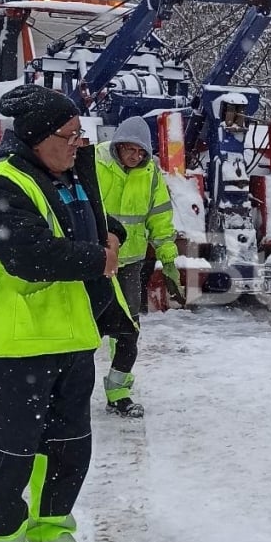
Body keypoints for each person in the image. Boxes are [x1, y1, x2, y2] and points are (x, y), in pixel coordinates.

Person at [0, 84, 134, 542]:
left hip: (71, 336)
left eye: (79, 136)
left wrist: (110, 233)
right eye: (68, 137)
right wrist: (98, 258)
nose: (77, 145)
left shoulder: (64, 175)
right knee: (13, 454)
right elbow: (27, 253)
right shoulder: (2, 183)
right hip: (19, 343)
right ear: (35, 137)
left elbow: (91, 221)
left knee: (68, 449)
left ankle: (52, 539)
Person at [95, 116, 182, 418]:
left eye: (140, 152)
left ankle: (118, 392)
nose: (135, 157)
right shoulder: (94, 162)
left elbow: (160, 217)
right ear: (118, 145)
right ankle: (66, 394)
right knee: (82, 330)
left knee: (128, 331)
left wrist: (168, 259)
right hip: (92, 262)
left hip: (130, 263)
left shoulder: (150, 174)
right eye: (129, 150)